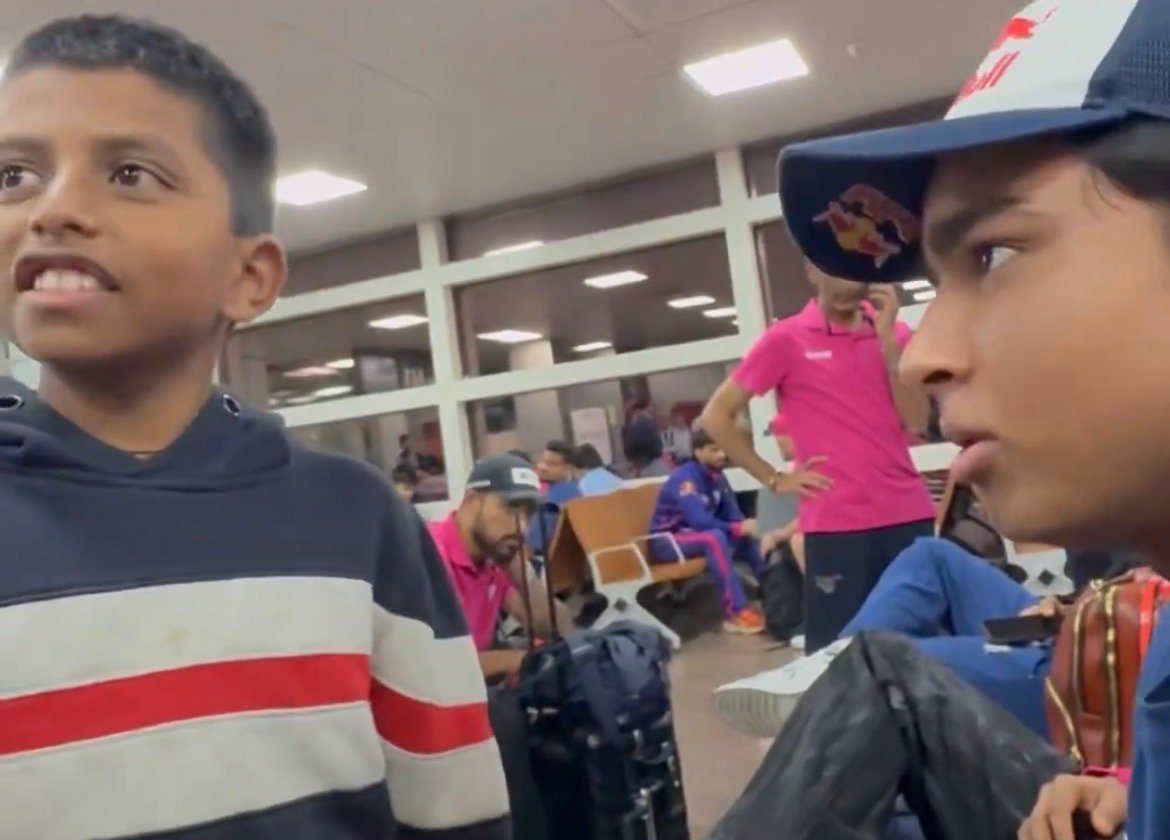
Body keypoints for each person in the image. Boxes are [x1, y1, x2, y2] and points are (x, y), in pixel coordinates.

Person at [0, 14, 509, 840]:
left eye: (129, 173)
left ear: (249, 275)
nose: (53, 209)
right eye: (14, 175)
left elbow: (454, 808)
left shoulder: (357, 520)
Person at [720, 0, 1170, 835]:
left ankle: (836, 676)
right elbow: (724, 416)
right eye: (937, 281)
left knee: (879, 685)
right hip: (843, 517)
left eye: (992, 254)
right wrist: (1126, 785)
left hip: (889, 501)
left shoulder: (882, 341)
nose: (923, 356)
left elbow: (905, 413)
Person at [702, 264, 936, 653]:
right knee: (836, 653)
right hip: (836, 521)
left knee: (921, 647)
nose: (849, 283)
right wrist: (774, 478)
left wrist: (888, 346)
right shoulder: (785, 339)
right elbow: (715, 416)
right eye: (836, 270)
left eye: (855, 271)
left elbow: (917, 421)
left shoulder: (894, 333)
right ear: (811, 270)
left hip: (906, 511)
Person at [716, 537, 1078, 740]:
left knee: (890, 662)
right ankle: (842, 660)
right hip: (1075, 624)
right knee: (932, 556)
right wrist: (1076, 607)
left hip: (1081, 670)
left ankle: (854, 668)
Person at [429, 455, 574, 680]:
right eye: (511, 510)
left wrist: (521, 571)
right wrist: (516, 660)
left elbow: (558, 628)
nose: (523, 527)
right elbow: (434, 663)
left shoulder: (494, 556)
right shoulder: (430, 553)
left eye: (529, 513)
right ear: (472, 501)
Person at [649, 429, 766, 634]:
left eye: (723, 449)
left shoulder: (718, 476)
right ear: (698, 451)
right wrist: (736, 527)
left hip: (696, 536)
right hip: (667, 540)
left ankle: (773, 594)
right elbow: (700, 521)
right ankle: (735, 613)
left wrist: (745, 526)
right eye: (714, 449)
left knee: (746, 537)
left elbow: (732, 514)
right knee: (715, 538)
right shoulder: (685, 479)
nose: (722, 455)